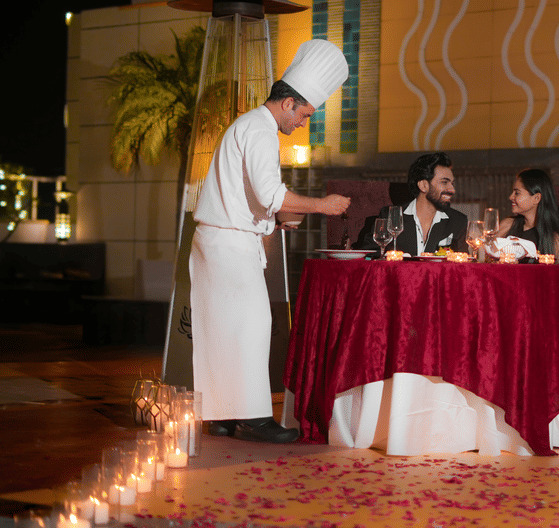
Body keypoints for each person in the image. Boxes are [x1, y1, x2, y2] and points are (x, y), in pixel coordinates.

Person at [189, 40, 351, 443]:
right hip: (229, 244)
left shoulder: (247, 125)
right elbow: (271, 195)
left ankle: (222, 416)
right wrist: (323, 205)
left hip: (217, 239)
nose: (303, 123)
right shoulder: (260, 131)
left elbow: (251, 199)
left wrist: (271, 224)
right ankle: (255, 419)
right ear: (289, 103)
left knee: (223, 329)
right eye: (305, 115)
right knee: (253, 327)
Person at [359, 152, 469, 256]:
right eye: (444, 182)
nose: (452, 190)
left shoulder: (458, 221)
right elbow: (369, 256)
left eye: (452, 183)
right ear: (423, 185)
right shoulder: (391, 215)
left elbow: (463, 264)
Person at [496, 168, 559, 264]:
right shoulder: (507, 225)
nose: (511, 197)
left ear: (536, 198)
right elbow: (487, 261)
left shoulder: (553, 239)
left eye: (517, 193)